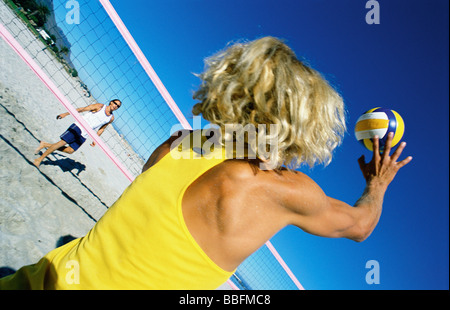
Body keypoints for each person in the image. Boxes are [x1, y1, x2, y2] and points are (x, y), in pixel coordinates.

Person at [0, 37, 411, 290]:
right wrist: (377, 183)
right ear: (304, 124)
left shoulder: (179, 143)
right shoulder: (282, 190)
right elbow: (359, 227)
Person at [33, 99, 121, 168]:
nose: (115, 106)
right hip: (79, 126)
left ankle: (45, 144)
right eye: (115, 103)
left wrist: (96, 139)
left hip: (85, 134)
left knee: (70, 150)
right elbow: (82, 109)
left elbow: (102, 128)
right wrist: (66, 114)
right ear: (111, 102)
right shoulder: (100, 106)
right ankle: (39, 159)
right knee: (61, 143)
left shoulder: (111, 118)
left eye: (118, 106)